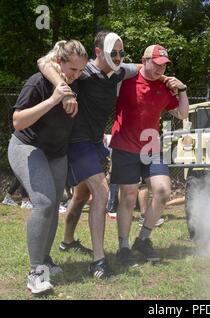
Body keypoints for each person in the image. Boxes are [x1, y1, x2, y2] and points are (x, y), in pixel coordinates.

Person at [38, 31, 140, 279]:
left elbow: (141, 68)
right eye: (112, 53)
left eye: (121, 53)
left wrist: (167, 78)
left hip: (95, 142)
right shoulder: (84, 72)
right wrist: (66, 90)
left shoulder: (117, 71)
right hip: (76, 140)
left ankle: (68, 241)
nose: (118, 57)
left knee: (82, 194)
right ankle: (99, 262)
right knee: (102, 190)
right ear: (98, 52)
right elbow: (44, 62)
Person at [8, 40, 88, 295]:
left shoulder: (77, 84)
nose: (75, 76)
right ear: (59, 62)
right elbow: (18, 122)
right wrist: (54, 99)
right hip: (26, 147)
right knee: (43, 202)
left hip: (57, 153)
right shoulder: (38, 82)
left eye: (79, 71)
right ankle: (35, 272)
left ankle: (45, 260)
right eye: (71, 69)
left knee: (54, 205)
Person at [110, 44, 189, 265]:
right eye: (156, 64)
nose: (160, 70)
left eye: (164, 66)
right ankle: (123, 247)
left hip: (151, 146)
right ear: (144, 60)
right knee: (128, 197)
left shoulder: (165, 88)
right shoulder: (125, 80)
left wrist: (182, 90)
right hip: (124, 146)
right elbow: (108, 67)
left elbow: (182, 113)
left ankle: (143, 240)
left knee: (163, 191)